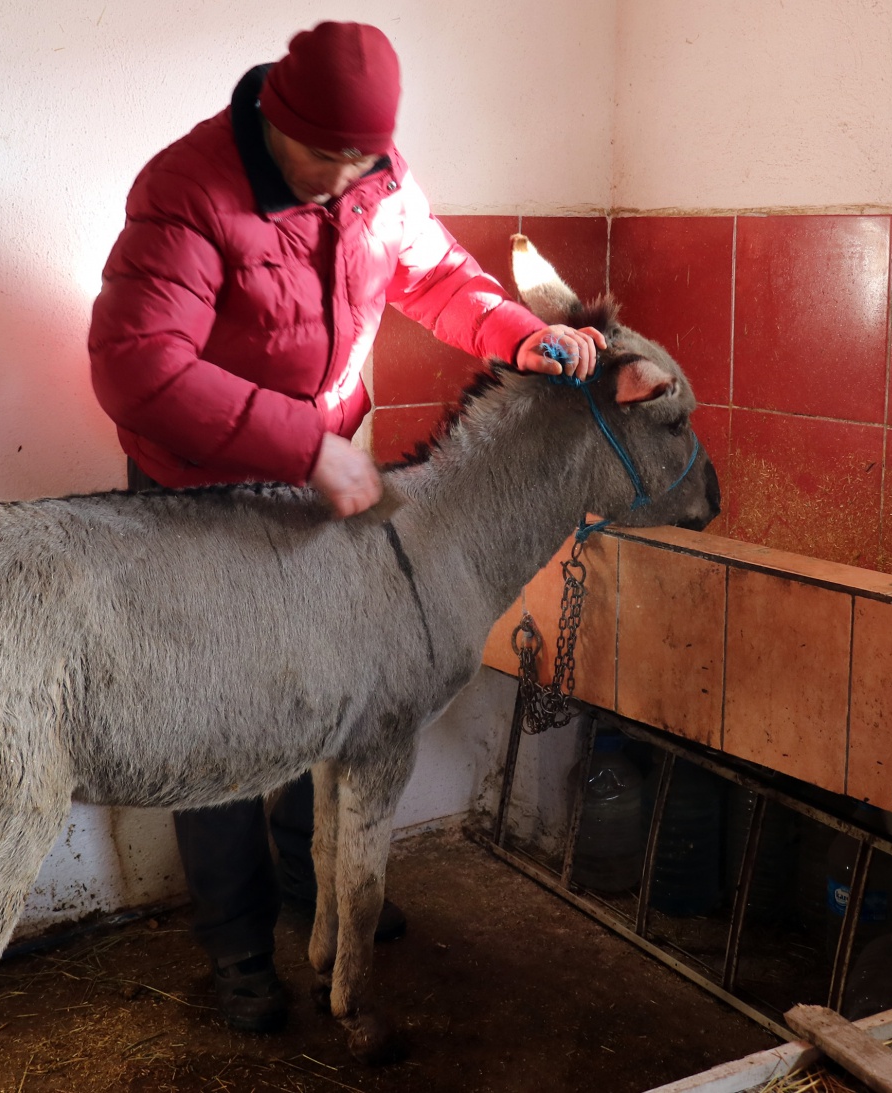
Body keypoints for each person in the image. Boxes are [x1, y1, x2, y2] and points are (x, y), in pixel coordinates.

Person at [88, 21, 604, 1032]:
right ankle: (237, 951)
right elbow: (135, 367)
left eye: (361, 158)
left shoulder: (373, 179)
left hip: (315, 481)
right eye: (323, 155)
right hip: (203, 498)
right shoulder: (187, 188)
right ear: (272, 115)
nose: (341, 177)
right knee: (224, 723)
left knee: (321, 692)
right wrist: (302, 442)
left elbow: (435, 277)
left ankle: (306, 886)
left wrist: (521, 336)